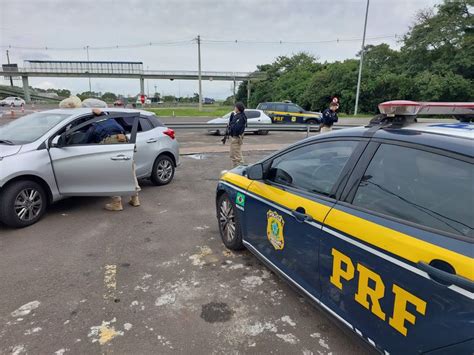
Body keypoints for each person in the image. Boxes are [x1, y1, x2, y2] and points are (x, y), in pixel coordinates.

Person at [89, 108, 141, 211]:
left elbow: (86, 139)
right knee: (129, 172)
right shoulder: (111, 120)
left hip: (111, 144)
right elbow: (102, 114)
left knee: (112, 174)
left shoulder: (94, 125)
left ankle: (116, 203)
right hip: (124, 141)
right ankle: (135, 199)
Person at [228, 102, 247, 168]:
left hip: (236, 137)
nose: (234, 108)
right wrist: (232, 119)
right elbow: (231, 125)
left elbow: (237, 128)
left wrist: (232, 126)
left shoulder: (241, 117)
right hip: (234, 137)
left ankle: (240, 169)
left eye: (235, 107)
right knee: (233, 154)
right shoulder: (237, 116)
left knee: (236, 155)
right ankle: (235, 168)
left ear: (238, 108)